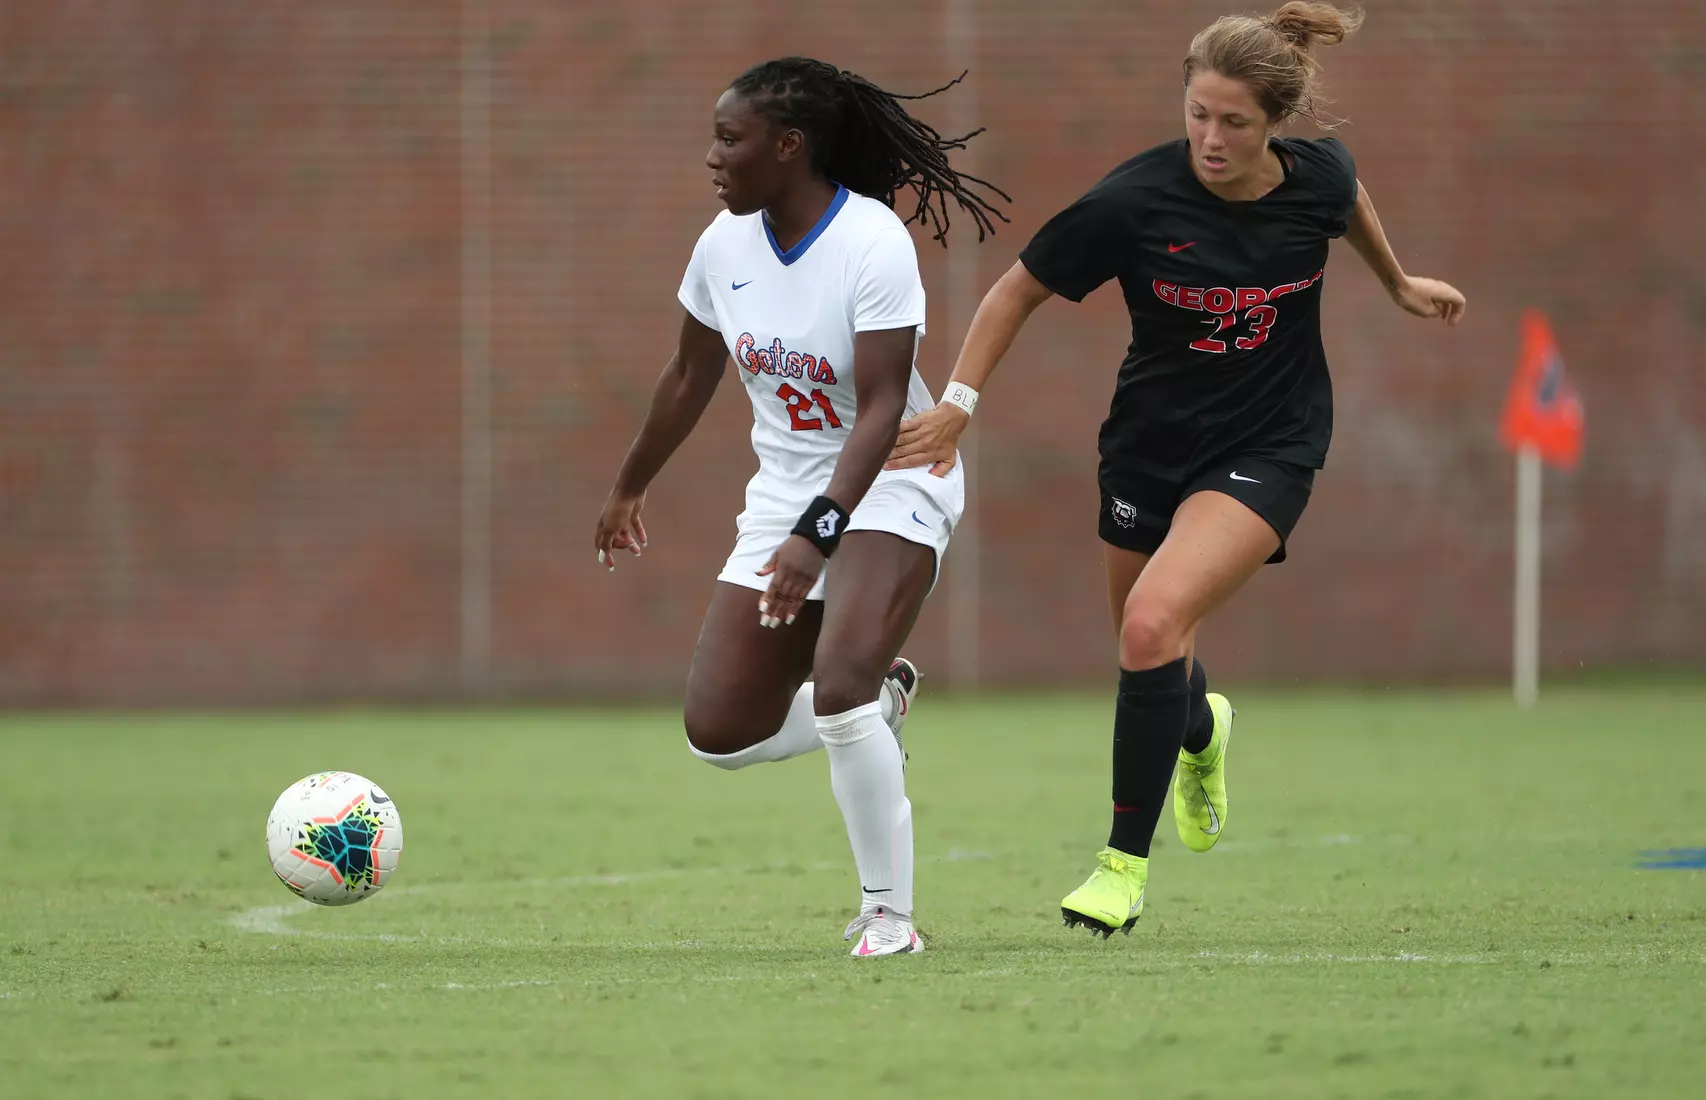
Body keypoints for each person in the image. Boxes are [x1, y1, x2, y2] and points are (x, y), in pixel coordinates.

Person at [885, 2, 1466, 937]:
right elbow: (1014, 290)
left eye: (1234, 122)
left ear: (1273, 124)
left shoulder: (1316, 177)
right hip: (1148, 451)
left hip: (1271, 446)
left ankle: (1120, 867)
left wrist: (1397, 282)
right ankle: (1203, 731)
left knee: (1154, 624)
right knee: (1148, 647)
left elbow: (1345, 200)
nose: (1211, 137)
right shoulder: (1133, 201)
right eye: (1198, 112)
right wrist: (960, 403)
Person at [594, 57, 1007, 956]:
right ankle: (881, 709)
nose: (712, 156)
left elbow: (887, 402)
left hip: (893, 477)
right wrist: (631, 482)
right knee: (719, 732)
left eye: (729, 139)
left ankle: (887, 916)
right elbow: (690, 374)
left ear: (790, 147)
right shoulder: (723, 244)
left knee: (841, 689)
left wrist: (819, 534)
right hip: (785, 491)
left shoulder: (871, 242)